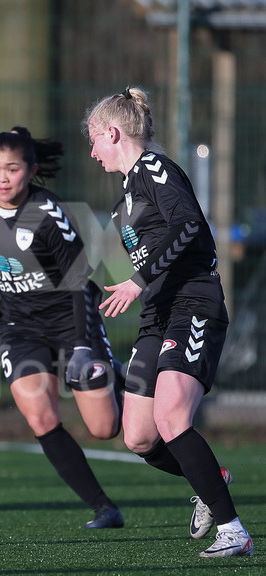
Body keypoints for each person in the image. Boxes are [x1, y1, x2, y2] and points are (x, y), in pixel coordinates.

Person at [84, 86, 252, 558]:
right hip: (158, 314)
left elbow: (189, 227)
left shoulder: (154, 169)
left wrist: (137, 280)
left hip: (193, 302)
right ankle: (209, 478)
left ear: (112, 133)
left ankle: (233, 530)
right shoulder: (126, 194)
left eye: (94, 140)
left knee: (172, 415)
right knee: (139, 436)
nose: (93, 152)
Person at [0, 127, 126, 529]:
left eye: (12, 169)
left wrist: (80, 348)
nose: (2, 178)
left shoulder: (50, 212)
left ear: (31, 170)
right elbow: (1, 255)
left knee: (105, 428)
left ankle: (127, 385)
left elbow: (77, 284)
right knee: (40, 417)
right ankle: (103, 507)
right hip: (20, 325)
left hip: (70, 320)